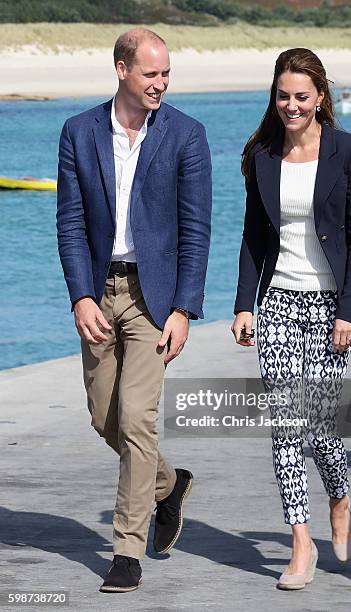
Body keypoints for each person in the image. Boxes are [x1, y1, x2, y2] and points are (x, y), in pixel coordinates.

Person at [56, 28, 212, 593]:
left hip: (155, 295)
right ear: (121, 70)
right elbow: (71, 224)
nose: (161, 84)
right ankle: (168, 485)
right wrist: (79, 295)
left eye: (166, 73)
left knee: (139, 418)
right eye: (151, 73)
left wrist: (184, 310)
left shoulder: (187, 136)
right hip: (100, 291)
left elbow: (196, 230)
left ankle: (127, 548)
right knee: (106, 417)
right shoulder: (78, 132)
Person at [231, 48, 351, 591]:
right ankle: (301, 542)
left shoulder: (349, 152)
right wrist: (245, 304)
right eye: (282, 95)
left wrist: (350, 310)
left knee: (319, 428)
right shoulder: (262, 155)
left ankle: (340, 499)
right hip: (279, 305)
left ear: (320, 97)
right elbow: (253, 236)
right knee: (287, 428)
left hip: (328, 306)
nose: (291, 105)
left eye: (301, 96)